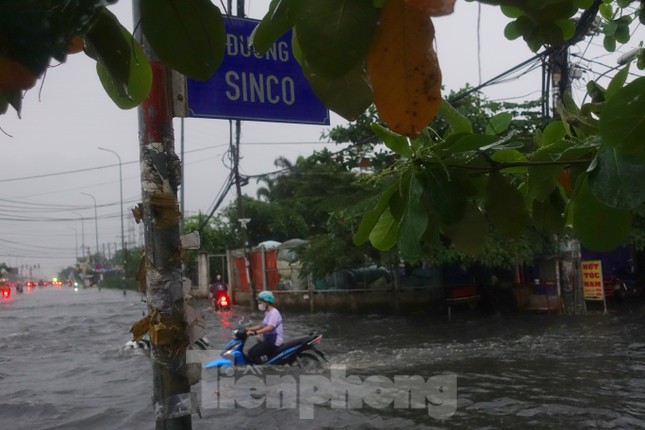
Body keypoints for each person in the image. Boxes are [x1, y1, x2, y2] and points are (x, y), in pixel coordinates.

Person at [246, 290, 283, 364]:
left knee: (252, 353)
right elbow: (262, 325)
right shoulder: (267, 312)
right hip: (268, 339)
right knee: (251, 352)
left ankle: (261, 370)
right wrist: (247, 329)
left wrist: (255, 333)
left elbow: (269, 327)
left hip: (274, 341)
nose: (260, 304)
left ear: (267, 302)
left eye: (261, 302)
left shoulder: (274, 313)